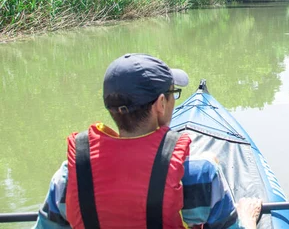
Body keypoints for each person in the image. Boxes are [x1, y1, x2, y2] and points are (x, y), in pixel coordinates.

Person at [34, 53, 262, 229]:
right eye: (173, 93)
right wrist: (247, 218)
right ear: (160, 105)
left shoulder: (69, 176)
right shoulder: (200, 175)